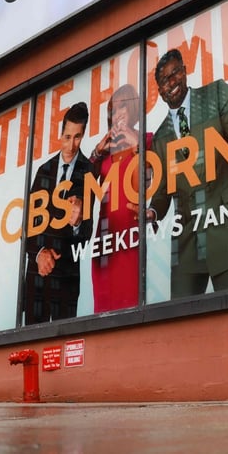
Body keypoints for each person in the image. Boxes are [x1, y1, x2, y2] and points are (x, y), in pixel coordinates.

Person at [147, 48, 228, 298]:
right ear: (159, 91)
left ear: (185, 72)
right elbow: (162, 188)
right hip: (188, 237)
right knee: (180, 322)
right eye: (164, 80)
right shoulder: (159, 138)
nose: (172, 82)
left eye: (175, 73)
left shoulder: (217, 93)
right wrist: (153, 212)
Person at [22, 102, 93, 323]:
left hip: (67, 280)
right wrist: (39, 253)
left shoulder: (88, 171)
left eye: (78, 137)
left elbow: (87, 233)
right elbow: (27, 227)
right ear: (60, 134)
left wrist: (78, 222)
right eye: (67, 137)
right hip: (38, 278)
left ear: (84, 134)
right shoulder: (44, 170)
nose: (71, 145)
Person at [89, 84, 152, 313]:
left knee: (130, 308)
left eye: (123, 107)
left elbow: (154, 183)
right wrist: (97, 152)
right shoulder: (105, 153)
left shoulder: (147, 140)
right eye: (113, 111)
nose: (118, 114)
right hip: (104, 240)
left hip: (131, 237)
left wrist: (137, 146)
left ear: (134, 109)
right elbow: (80, 188)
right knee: (103, 309)